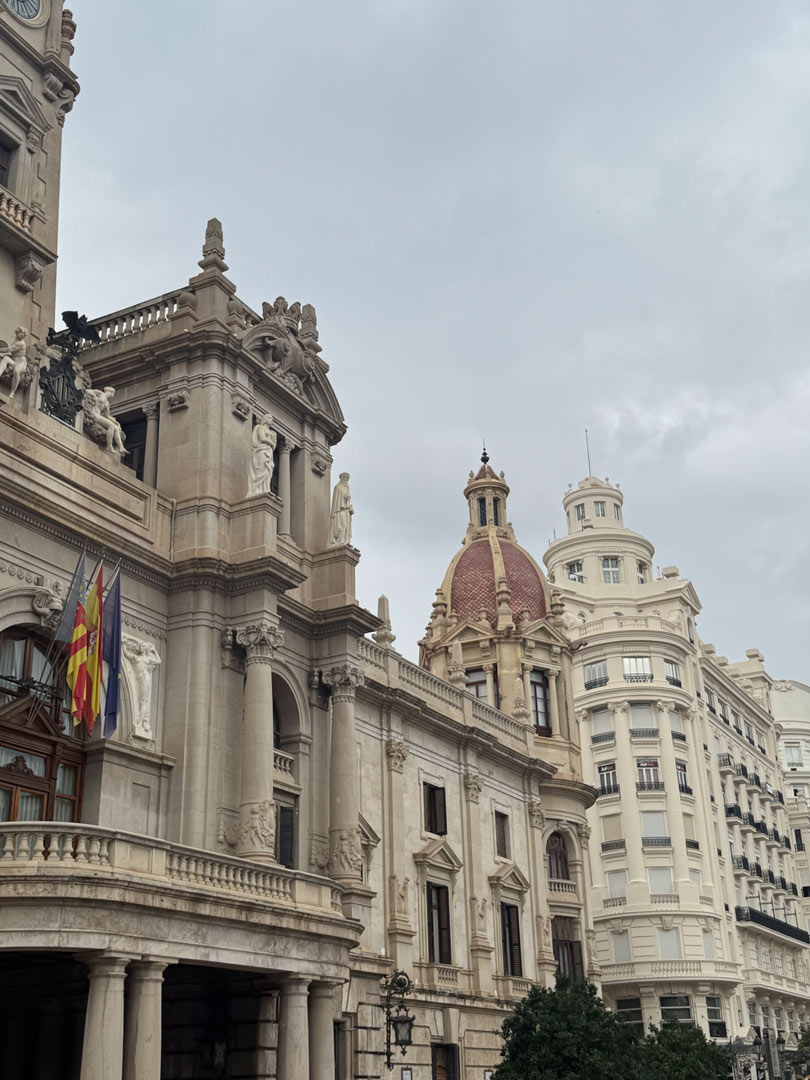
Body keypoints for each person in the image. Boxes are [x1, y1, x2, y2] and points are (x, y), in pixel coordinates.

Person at [247, 414, 277, 496]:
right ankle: (256, 490)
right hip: (261, 451)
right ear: (265, 419)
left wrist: (273, 440)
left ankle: (266, 489)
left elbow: (274, 446)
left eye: (272, 418)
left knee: (268, 470)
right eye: (269, 418)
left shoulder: (272, 432)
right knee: (260, 470)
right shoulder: (260, 428)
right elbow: (262, 438)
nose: (271, 419)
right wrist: (272, 443)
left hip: (269, 452)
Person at [329, 472, 354, 545]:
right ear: (341, 478)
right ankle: (340, 542)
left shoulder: (347, 488)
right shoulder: (338, 487)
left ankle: (345, 542)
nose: (346, 479)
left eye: (347, 478)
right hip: (340, 510)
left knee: (347, 527)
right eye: (345, 477)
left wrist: (350, 508)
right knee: (343, 526)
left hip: (346, 511)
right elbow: (336, 501)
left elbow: (347, 502)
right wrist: (344, 498)